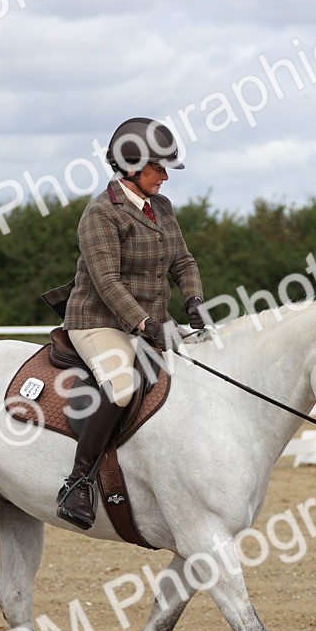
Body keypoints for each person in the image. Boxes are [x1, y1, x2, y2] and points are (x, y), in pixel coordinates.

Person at [42, 117, 207, 530]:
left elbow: (183, 261)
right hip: (98, 320)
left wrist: (193, 300)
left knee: (201, 369)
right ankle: (78, 481)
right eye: (158, 168)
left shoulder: (162, 208)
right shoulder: (101, 214)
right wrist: (144, 323)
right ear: (131, 167)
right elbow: (107, 281)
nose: (166, 176)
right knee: (121, 384)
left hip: (152, 320)